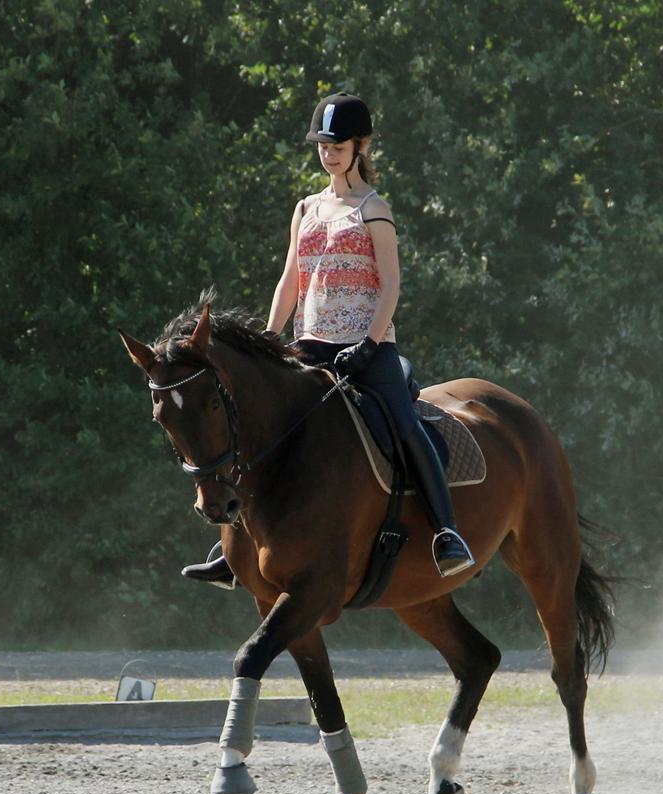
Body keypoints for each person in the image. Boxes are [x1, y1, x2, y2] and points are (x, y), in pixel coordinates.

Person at [184, 92, 474, 584]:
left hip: (367, 344)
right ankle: (233, 544)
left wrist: (369, 342)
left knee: (403, 423)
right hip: (309, 342)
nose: (328, 152)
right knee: (257, 427)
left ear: (361, 145)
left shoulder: (373, 208)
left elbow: (391, 284)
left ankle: (447, 532)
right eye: (322, 144)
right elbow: (289, 281)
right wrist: (268, 341)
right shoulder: (306, 208)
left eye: (338, 144)